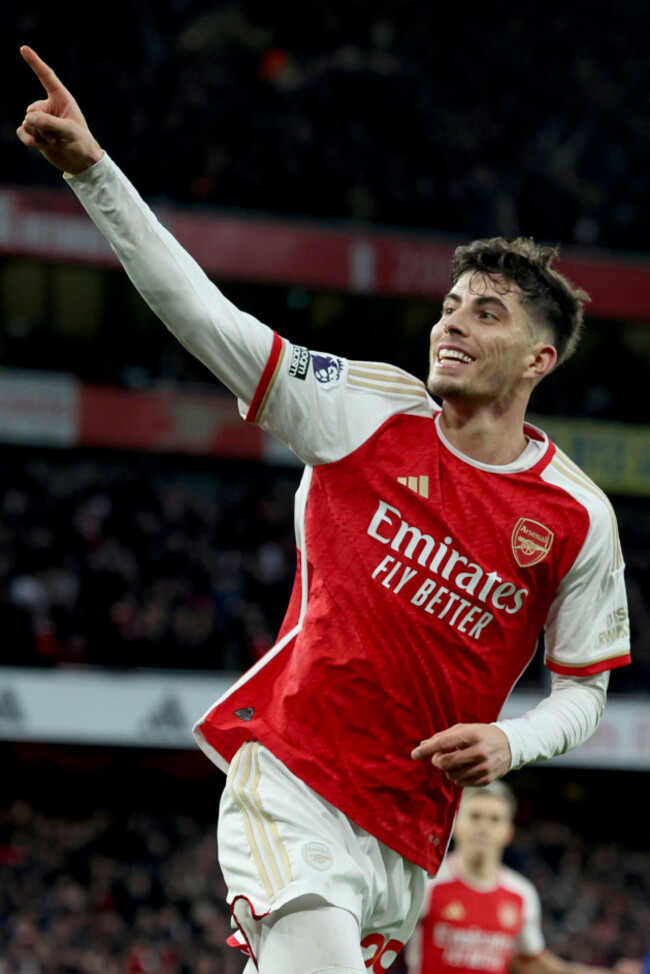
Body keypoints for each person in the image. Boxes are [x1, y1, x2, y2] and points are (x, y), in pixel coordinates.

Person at [16, 46, 631, 974]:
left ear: (540, 361)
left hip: (406, 836)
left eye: (487, 314)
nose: (452, 322)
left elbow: (584, 689)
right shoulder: (363, 411)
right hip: (294, 780)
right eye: (451, 304)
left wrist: (513, 738)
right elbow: (209, 320)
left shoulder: (577, 518)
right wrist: (95, 174)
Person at [407, 782, 614, 974]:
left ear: (508, 832)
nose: (484, 827)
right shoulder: (428, 883)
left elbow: (533, 963)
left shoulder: (521, 893)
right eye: (475, 816)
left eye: (494, 819)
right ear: (456, 824)